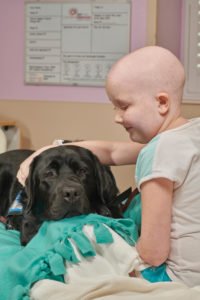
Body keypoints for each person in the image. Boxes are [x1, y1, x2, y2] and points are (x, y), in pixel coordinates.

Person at [17, 46, 200, 287]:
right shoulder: (190, 133)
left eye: (123, 106)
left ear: (162, 103)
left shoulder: (159, 151)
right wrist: (48, 151)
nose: (117, 117)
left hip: (174, 277)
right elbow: (112, 152)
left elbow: (154, 253)